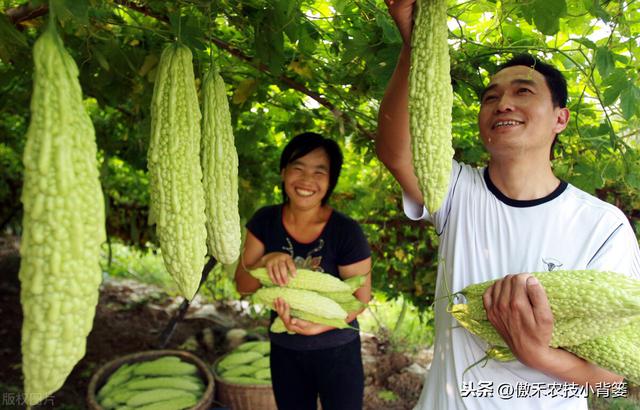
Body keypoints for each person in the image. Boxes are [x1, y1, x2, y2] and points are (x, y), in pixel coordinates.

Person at [376, 1, 640, 409]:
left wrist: (535, 353)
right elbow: (396, 151)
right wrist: (415, 43)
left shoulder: (603, 226)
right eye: (490, 97)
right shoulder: (457, 193)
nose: (503, 104)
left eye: (523, 91)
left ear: (560, 118)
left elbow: (612, 384)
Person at [235, 132, 372, 410]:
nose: (307, 180)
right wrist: (266, 260)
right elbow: (244, 286)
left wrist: (320, 326)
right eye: (298, 168)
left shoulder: (346, 232)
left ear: (330, 181)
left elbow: (360, 297)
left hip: (338, 350)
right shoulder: (264, 222)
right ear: (284, 172)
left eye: (319, 172)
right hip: (285, 351)